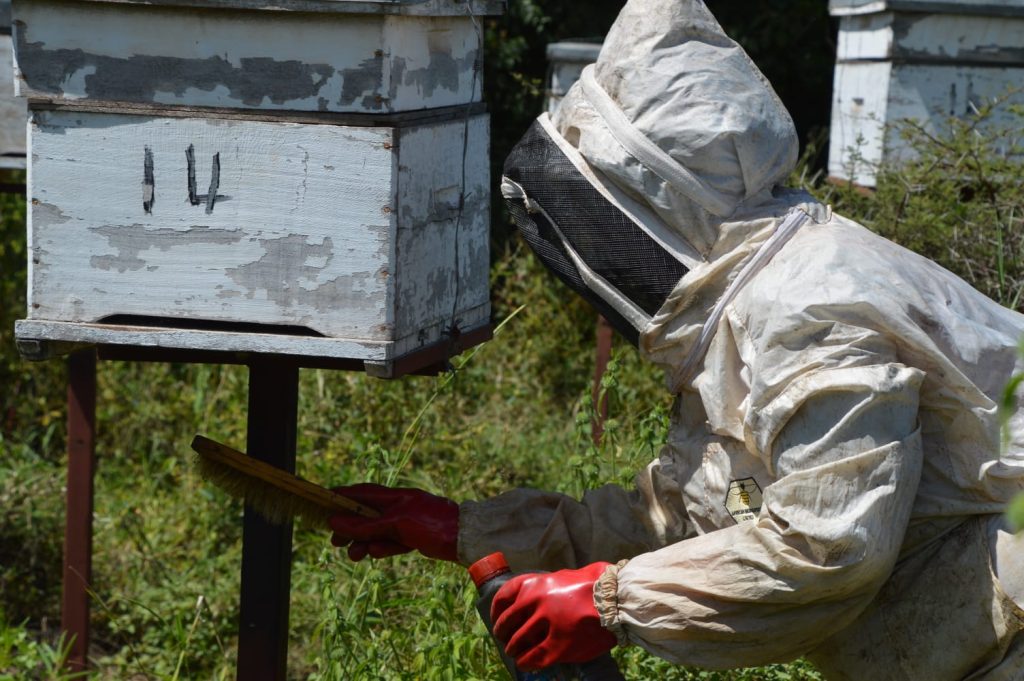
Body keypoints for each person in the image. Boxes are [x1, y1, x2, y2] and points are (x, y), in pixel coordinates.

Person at [329, 0, 1024, 678]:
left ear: (652, 202)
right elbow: (688, 511)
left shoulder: (809, 306)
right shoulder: (745, 303)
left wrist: (610, 601)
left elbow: (827, 546)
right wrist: (466, 529)